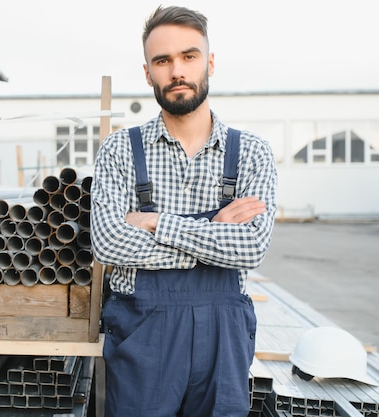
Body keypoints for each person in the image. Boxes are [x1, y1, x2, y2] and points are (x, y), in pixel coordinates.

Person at [90, 5, 277, 417]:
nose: (177, 71)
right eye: (163, 60)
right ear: (147, 72)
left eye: (188, 57)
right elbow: (108, 243)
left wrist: (156, 222)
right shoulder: (120, 150)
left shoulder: (252, 153)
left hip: (222, 341)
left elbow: (250, 249)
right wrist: (215, 231)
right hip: (143, 337)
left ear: (209, 62)